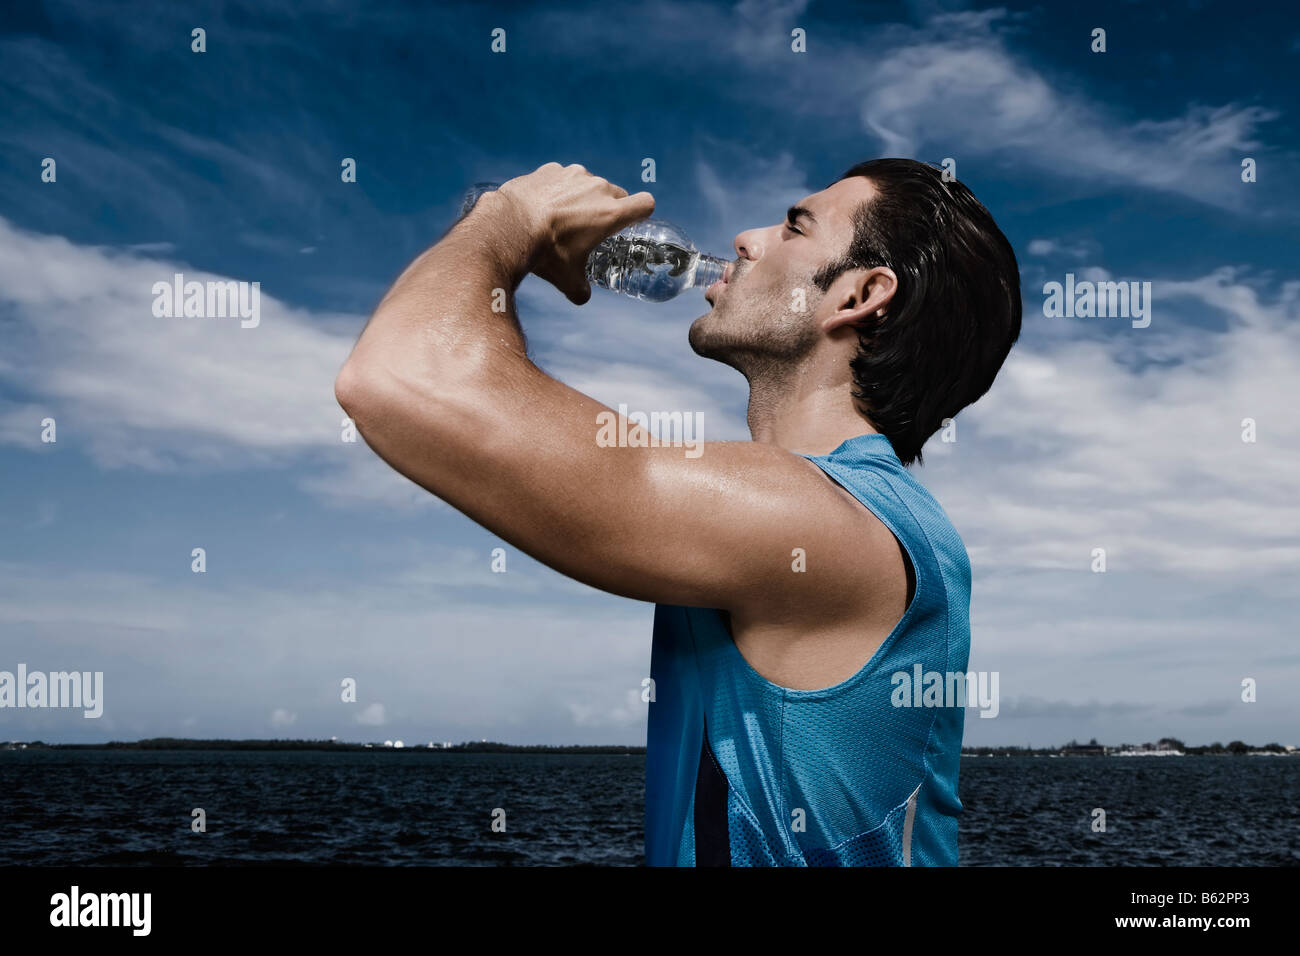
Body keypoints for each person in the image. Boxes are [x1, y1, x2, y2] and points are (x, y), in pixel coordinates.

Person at [335, 158, 1022, 866]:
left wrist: (512, 215)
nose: (747, 238)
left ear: (858, 293)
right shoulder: (867, 515)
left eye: (794, 226)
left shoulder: (820, 522)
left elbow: (398, 378)